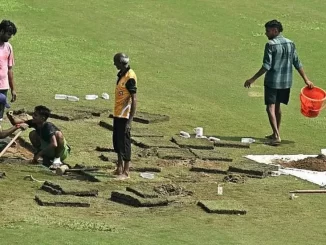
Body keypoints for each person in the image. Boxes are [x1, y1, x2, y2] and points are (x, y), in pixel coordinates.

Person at [244, 20, 314, 145]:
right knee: (278, 106)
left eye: (268, 31)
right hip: (286, 82)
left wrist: (252, 79)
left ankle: (276, 136)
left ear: (275, 30)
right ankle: (276, 132)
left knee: (270, 108)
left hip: (272, 82)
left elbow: (266, 66)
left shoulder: (270, 45)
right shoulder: (290, 43)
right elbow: (297, 62)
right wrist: (306, 80)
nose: (266, 33)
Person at [112, 53, 137, 180]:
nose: (114, 64)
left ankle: (126, 172)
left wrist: (130, 121)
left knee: (125, 143)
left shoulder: (130, 77)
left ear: (121, 63)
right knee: (117, 142)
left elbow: (134, 99)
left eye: (115, 62)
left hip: (124, 115)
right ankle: (119, 167)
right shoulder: (121, 74)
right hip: (117, 114)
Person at [0, 20, 17, 120]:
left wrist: (13, 89)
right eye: (8, 34)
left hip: (3, 87)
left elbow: (9, 69)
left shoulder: (8, 47)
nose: (10, 36)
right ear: (1, 31)